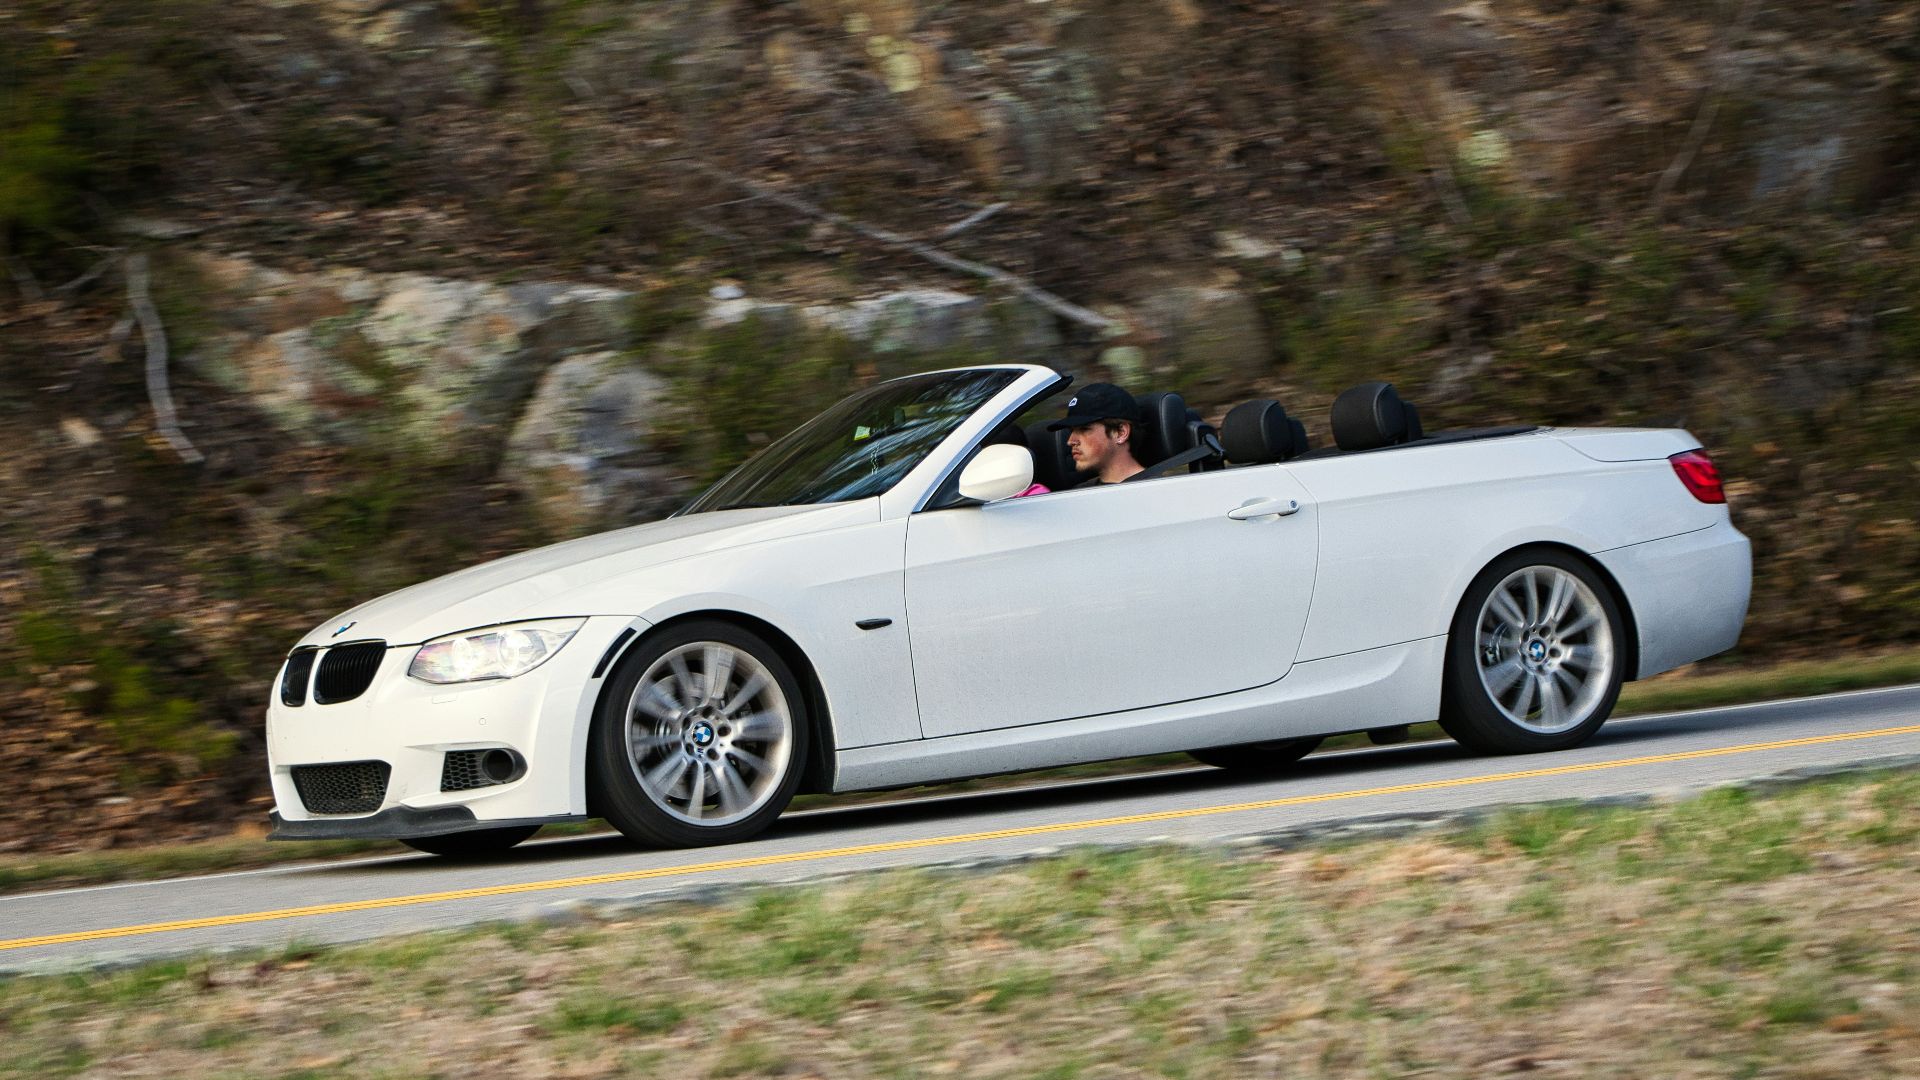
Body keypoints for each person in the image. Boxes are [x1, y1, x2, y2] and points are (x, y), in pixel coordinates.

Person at [1046, 383, 1143, 487]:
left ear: (1121, 433)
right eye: (1071, 431)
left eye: (1084, 429)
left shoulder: (1155, 489)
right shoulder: (1079, 494)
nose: (1070, 441)